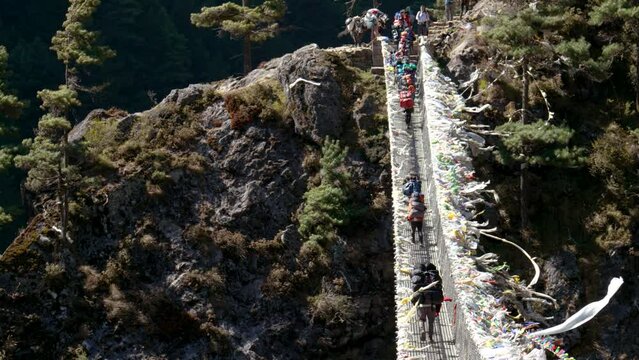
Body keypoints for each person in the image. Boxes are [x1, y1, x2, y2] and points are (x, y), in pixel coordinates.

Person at [411, 263, 444, 342]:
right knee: (431, 322)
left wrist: (415, 304)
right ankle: (430, 338)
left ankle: (422, 331)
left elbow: (414, 295)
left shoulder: (418, 278)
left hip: (421, 304)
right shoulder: (434, 277)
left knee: (421, 320)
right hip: (431, 305)